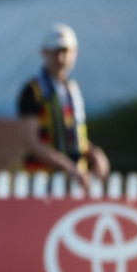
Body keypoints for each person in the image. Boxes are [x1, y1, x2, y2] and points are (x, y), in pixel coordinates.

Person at [17, 23, 109, 190]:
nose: (61, 58)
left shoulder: (72, 90)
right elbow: (30, 140)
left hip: (72, 180)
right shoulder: (33, 90)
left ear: (75, 53)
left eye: (66, 52)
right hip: (41, 181)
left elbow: (73, 135)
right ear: (45, 53)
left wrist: (94, 153)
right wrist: (68, 167)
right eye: (56, 52)